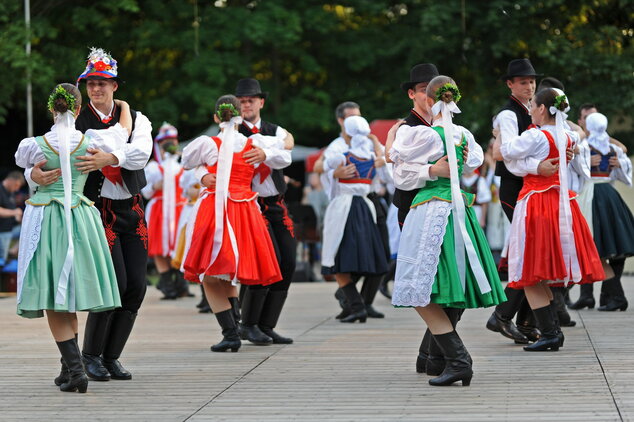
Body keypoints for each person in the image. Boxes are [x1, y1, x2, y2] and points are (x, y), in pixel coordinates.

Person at [28, 48, 153, 382]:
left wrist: (109, 158)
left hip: (132, 208)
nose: (96, 88)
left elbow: (141, 154)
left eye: (102, 82)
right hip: (96, 211)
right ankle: (89, 357)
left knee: (136, 288)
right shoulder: (73, 121)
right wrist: (32, 176)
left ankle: (110, 357)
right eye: (90, 83)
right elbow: (47, 158)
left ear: (115, 86)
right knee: (114, 284)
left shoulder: (137, 118)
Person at [391, 76, 506, 386]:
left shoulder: (423, 135)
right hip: (460, 211)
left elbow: (400, 175)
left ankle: (457, 359)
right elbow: (472, 165)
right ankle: (440, 358)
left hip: (432, 209)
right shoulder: (463, 135)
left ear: (429, 98)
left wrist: (423, 166)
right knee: (451, 281)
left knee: (421, 289)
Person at [15, 83, 130, 393]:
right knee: (66, 295)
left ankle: (76, 370)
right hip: (81, 217)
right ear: (78, 110)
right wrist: (127, 110)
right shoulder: (91, 140)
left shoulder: (35, 145)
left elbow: (23, 164)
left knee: (55, 295)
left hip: (49, 217)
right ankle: (70, 369)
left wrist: (32, 175)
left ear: (53, 109)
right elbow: (121, 134)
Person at [497, 88, 605, 351]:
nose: (531, 109)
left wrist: (500, 134)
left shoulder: (536, 135)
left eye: (533, 105)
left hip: (537, 203)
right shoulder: (568, 135)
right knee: (541, 273)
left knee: (530, 272)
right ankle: (551, 331)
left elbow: (507, 152)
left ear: (542, 109)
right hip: (561, 204)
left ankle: (549, 333)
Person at [182, 95, 283, 352]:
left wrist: (202, 174)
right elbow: (286, 153)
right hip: (245, 210)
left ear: (216, 117)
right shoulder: (254, 143)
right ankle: (234, 329)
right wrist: (267, 152)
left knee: (209, 273)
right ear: (240, 117)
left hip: (216, 209)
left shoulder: (208, 143)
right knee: (225, 271)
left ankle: (230, 333)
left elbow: (185, 161)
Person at [234, 78, 297, 345]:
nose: (247, 104)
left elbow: (290, 144)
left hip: (276, 203)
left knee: (288, 263)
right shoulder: (231, 131)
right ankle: (247, 324)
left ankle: (266, 324)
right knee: (262, 262)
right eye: (242, 101)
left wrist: (266, 151)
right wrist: (273, 149)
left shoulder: (274, 129)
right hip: (250, 204)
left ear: (261, 102)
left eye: (251, 100)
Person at [486, 58, 543, 345]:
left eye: (532, 81)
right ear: (510, 84)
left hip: (533, 187)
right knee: (529, 251)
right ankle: (504, 315)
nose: (529, 85)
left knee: (535, 251)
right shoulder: (508, 115)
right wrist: (538, 162)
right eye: (522, 81)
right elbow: (504, 154)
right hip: (516, 188)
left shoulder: (534, 110)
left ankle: (524, 318)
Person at [317, 101, 390, 319]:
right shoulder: (343, 147)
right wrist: (335, 174)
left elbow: (323, 166)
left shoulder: (361, 150)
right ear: (342, 122)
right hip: (358, 203)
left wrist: (376, 143)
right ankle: (355, 303)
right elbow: (319, 166)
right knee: (353, 255)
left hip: (362, 202)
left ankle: (356, 303)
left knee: (375, 256)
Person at [568, 112, 633, 312]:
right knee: (598, 247)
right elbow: (625, 175)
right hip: (609, 195)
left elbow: (575, 168)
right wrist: (620, 163)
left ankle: (615, 297)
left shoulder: (584, 147)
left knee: (591, 247)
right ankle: (608, 296)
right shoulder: (614, 148)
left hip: (592, 196)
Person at [142, 122, 189, 300]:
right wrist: (156, 185)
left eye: (172, 141)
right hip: (159, 211)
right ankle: (168, 284)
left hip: (179, 209)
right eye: (165, 142)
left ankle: (180, 283)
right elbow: (145, 192)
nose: (169, 145)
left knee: (178, 245)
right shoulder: (153, 167)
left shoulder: (184, 164)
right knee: (159, 246)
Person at [0, 172, 25, 262]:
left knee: (27, 229)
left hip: (11, 228)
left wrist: (18, 218)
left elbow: (13, 211)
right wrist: (14, 212)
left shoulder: (11, 193)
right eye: (16, 185)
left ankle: (13, 251)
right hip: (2, 230)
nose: (17, 189)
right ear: (11, 180)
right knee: (2, 258)